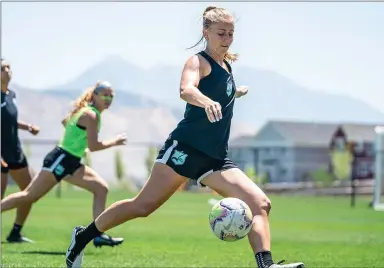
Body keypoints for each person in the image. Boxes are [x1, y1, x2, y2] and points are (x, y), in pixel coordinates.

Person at [65, 6, 305, 268]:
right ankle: (82, 237)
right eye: (221, 33)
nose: (227, 38)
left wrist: (233, 93)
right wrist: (205, 101)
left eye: (231, 34)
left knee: (260, 203)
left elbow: (217, 90)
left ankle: (266, 265)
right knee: (142, 206)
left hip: (215, 158)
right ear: (206, 32)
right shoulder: (197, 61)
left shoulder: (227, 66)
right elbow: (186, 89)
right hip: (185, 149)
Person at [1, 81, 127, 248]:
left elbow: (65, 122)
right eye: (104, 94)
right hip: (60, 159)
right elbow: (94, 146)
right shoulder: (91, 115)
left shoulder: (88, 112)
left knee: (101, 188)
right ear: (94, 95)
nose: (108, 98)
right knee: (30, 196)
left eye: (111, 95)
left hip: (72, 161)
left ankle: (97, 235)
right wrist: (115, 141)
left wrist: (76, 142)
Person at [1, 58, 39, 243]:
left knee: (29, 192)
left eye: (8, 67)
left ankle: (15, 232)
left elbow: (10, 121)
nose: (7, 71)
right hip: (1, 154)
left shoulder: (11, 95)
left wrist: (28, 127)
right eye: (2, 68)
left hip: (15, 152)